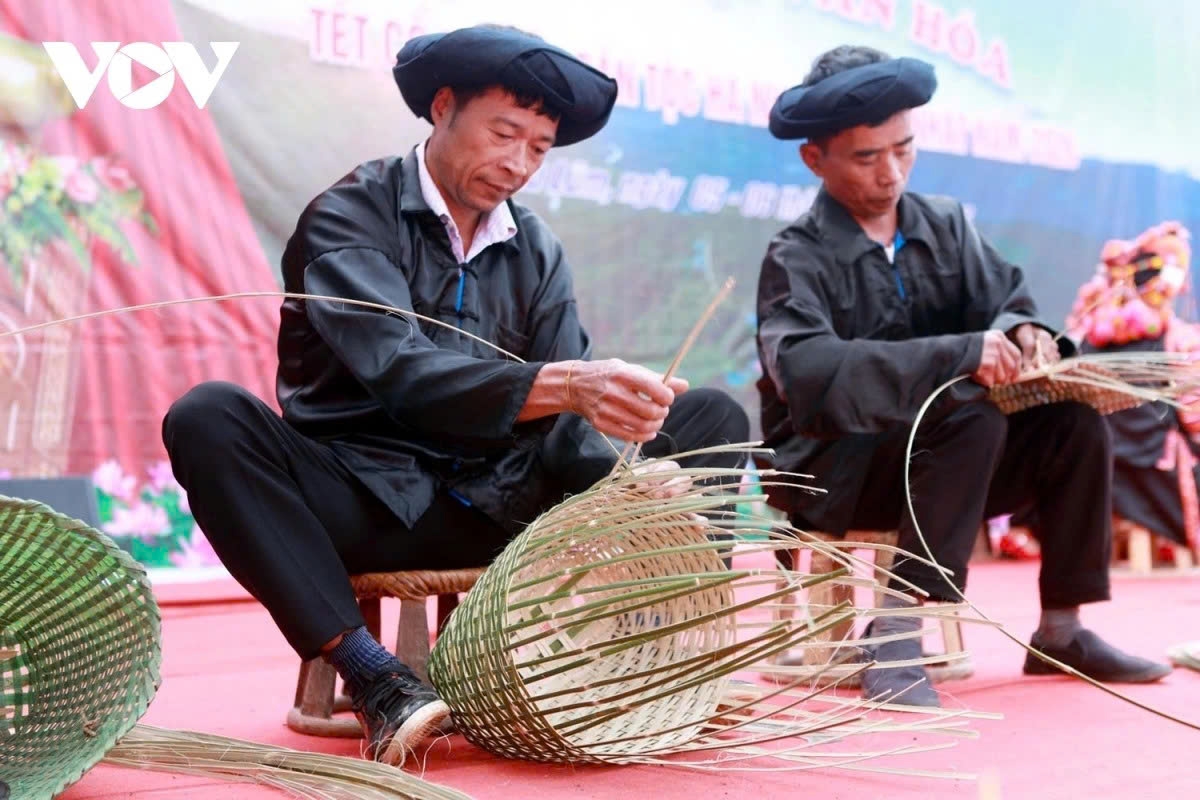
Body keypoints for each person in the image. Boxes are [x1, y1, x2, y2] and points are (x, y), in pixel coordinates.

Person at [162, 24, 749, 765]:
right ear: (443, 107)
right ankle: (378, 680)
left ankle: (675, 661)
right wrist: (566, 385)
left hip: (505, 503)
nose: (518, 163)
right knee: (209, 417)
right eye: (504, 132)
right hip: (371, 498)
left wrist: (625, 485)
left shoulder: (535, 247)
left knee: (707, 418)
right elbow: (398, 369)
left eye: (539, 147)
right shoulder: (351, 215)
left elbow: (566, 418)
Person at [754, 44, 1171, 707]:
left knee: (1071, 419)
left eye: (904, 148)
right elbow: (807, 376)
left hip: (952, 468)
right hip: (837, 472)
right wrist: (961, 354)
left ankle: (1063, 628)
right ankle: (894, 632)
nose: (891, 172)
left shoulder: (943, 225)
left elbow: (1008, 301)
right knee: (969, 410)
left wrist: (1023, 333)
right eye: (867, 157)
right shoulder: (795, 255)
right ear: (816, 160)